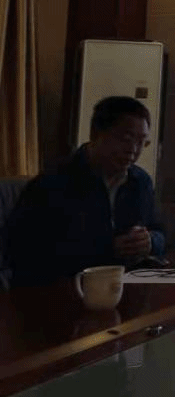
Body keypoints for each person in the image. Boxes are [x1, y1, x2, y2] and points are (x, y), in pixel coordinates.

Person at [7, 96, 165, 287]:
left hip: (122, 287)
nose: (133, 150)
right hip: (60, 291)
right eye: (126, 139)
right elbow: (23, 251)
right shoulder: (53, 183)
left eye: (141, 142)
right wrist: (108, 249)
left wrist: (150, 242)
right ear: (96, 133)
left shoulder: (140, 182)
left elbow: (160, 232)